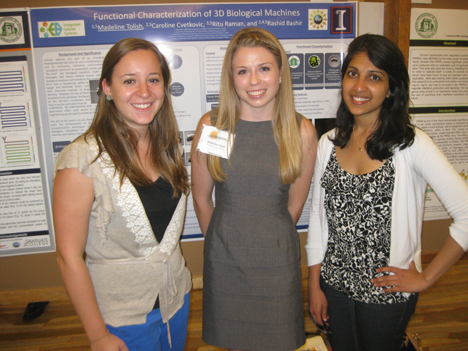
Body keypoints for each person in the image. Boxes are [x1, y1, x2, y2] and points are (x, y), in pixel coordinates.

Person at [306, 33, 468, 351]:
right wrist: (314, 284)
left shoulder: (411, 144)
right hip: (334, 286)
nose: (360, 86)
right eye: (352, 73)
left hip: (386, 294)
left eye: (374, 77)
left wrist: (425, 278)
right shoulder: (329, 142)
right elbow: (317, 219)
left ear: (391, 87)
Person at [52, 38, 191, 351]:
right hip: (121, 318)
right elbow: (68, 256)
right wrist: (97, 335)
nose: (143, 92)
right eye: (129, 81)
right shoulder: (81, 159)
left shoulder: (168, 148)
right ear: (107, 88)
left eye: (153, 80)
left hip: (175, 300)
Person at [191, 27, 317, 351]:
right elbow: (203, 199)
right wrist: (221, 244)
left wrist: (266, 240)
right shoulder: (214, 126)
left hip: (277, 262)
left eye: (264, 68)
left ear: (279, 73)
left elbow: (294, 206)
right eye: (243, 71)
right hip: (225, 260)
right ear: (231, 78)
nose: (254, 81)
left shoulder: (300, 131)